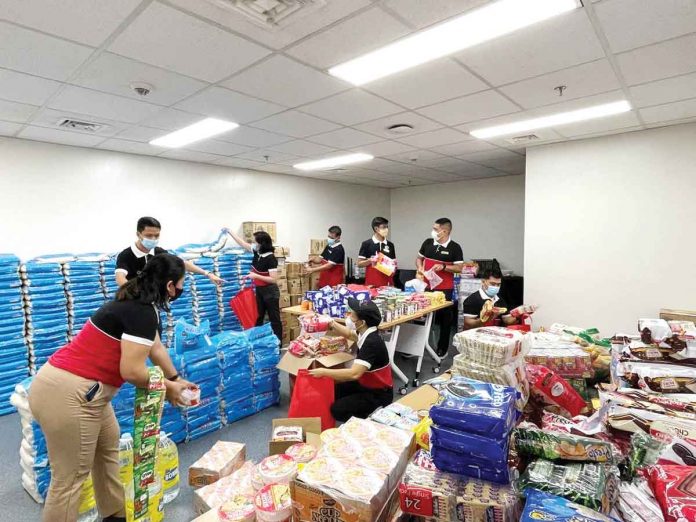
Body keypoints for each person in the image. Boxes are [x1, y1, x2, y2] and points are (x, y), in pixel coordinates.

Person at [27, 254, 196, 522]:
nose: (182, 289)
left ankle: (115, 516)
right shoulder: (140, 310)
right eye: (182, 283)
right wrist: (167, 388)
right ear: (170, 286)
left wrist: (175, 379)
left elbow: (155, 347)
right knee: (70, 481)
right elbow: (130, 371)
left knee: (108, 454)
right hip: (70, 393)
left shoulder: (139, 301)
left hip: (85, 393)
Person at [309, 298, 393, 421]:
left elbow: (354, 374)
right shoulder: (367, 332)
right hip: (365, 383)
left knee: (337, 410)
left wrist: (323, 372)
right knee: (333, 391)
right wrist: (330, 322)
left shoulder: (371, 343)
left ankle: (368, 420)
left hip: (378, 394)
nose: (349, 316)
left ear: (362, 322)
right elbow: (349, 334)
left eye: (353, 315)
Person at [115, 216, 223, 286]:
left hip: (153, 302)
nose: (153, 239)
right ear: (138, 234)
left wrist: (207, 273)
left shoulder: (158, 252)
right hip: (134, 301)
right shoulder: (126, 255)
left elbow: (181, 263)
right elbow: (120, 278)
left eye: (156, 235)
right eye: (149, 235)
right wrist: (136, 293)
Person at [416, 218, 464, 356]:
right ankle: (415, 346)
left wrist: (444, 266)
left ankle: (442, 348)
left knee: (445, 319)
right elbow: (419, 258)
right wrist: (420, 267)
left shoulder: (455, 247)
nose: (433, 232)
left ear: (445, 231)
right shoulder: (428, 243)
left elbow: (459, 267)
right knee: (420, 315)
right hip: (426, 285)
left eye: (436, 229)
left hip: (444, 288)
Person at [225, 228, 282, 342]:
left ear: (262, 244)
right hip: (260, 290)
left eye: (256, 242)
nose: (254, 244)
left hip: (270, 292)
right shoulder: (258, 253)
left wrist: (256, 276)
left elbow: (273, 279)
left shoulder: (271, 258)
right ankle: (256, 342)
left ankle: (278, 343)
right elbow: (242, 243)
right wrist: (230, 231)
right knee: (257, 317)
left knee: (274, 319)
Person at [462, 267, 537, 330]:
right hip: (477, 337)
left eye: (498, 285)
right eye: (492, 284)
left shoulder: (499, 299)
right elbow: (468, 325)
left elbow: (507, 320)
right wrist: (485, 319)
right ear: (483, 282)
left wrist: (519, 314)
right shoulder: (472, 300)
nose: (495, 287)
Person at [358, 217, 397, 287]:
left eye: (387, 227)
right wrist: (370, 260)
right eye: (384, 227)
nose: (386, 229)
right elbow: (359, 264)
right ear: (376, 229)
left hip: (387, 283)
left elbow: (394, 265)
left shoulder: (390, 245)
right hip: (371, 283)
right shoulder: (366, 244)